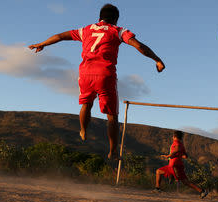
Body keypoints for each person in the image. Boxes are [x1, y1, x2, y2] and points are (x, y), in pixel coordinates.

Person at [29, 4, 165, 159]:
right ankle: (113, 151)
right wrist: (157, 60)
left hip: (85, 73)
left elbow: (60, 36)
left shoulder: (85, 30)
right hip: (105, 74)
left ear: (99, 17)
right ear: (115, 19)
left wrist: (42, 44)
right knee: (112, 116)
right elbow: (138, 46)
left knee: (86, 104)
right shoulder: (118, 31)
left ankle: (83, 130)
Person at [155, 131, 209, 199]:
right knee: (158, 171)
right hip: (173, 165)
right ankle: (158, 188)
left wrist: (168, 156)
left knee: (185, 182)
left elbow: (177, 149)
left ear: (174, 136)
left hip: (175, 166)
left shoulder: (176, 143)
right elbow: (185, 156)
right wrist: (177, 155)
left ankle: (202, 191)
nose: (172, 137)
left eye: (173, 136)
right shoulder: (181, 144)